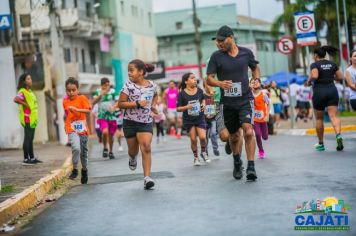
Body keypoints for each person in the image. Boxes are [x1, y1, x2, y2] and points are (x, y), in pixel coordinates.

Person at [207, 25, 260, 181]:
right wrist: (220, 84)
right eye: (217, 41)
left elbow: (255, 68)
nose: (219, 44)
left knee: (248, 131)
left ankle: (251, 167)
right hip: (227, 103)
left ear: (231, 37)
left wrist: (256, 80)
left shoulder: (246, 53)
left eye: (221, 41)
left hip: (245, 99)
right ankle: (237, 162)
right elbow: (208, 78)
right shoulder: (216, 56)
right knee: (234, 136)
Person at [117, 59, 157, 190]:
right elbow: (121, 104)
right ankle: (132, 158)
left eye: (131, 70)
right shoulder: (127, 86)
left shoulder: (152, 85)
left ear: (141, 72)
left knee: (146, 146)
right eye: (128, 70)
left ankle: (147, 178)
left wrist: (153, 106)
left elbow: (155, 95)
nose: (129, 73)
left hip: (145, 122)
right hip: (130, 123)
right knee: (133, 151)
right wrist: (137, 103)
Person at [307, 45, 344, 151]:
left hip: (319, 92)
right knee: (333, 116)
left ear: (315, 55)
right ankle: (338, 135)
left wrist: (309, 81)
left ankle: (321, 144)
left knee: (319, 118)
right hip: (332, 90)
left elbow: (315, 75)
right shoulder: (332, 64)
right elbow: (340, 77)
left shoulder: (314, 64)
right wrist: (331, 78)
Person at [177, 73, 210, 166]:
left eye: (195, 78)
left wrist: (203, 104)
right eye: (192, 78)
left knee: (203, 137)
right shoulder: (181, 94)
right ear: (186, 81)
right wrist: (186, 107)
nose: (195, 79)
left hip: (200, 117)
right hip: (189, 120)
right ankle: (196, 157)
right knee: (193, 139)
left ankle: (203, 152)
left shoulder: (199, 91)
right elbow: (178, 108)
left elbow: (203, 99)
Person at [63, 78, 91, 184]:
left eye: (73, 90)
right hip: (71, 127)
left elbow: (88, 110)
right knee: (75, 147)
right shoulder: (65, 101)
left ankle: (84, 169)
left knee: (83, 153)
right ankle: (74, 169)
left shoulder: (82, 98)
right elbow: (68, 114)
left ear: (77, 90)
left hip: (83, 129)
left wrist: (77, 110)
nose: (71, 92)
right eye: (68, 90)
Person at [13, 73, 42, 165]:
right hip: (27, 119)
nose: (31, 80)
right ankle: (26, 159)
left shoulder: (30, 92)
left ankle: (32, 158)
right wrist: (25, 104)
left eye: (30, 78)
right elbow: (16, 99)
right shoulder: (22, 91)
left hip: (33, 119)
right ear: (24, 81)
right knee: (27, 138)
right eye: (28, 79)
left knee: (31, 138)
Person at [92, 78, 119, 159]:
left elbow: (118, 101)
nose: (106, 87)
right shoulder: (98, 91)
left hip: (112, 116)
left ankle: (110, 151)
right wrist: (101, 94)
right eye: (104, 86)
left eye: (107, 85)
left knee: (111, 135)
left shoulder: (113, 92)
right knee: (104, 132)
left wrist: (114, 107)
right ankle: (105, 148)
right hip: (102, 116)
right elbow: (93, 102)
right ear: (101, 85)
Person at [251, 78, 270, 159]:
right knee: (258, 134)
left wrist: (267, 115)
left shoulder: (263, 94)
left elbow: (268, 104)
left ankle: (264, 134)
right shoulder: (250, 95)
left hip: (263, 118)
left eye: (257, 82)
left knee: (265, 137)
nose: (255, 83)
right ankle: (261, 150)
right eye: (253, 82)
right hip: (254, 119)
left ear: (260, 84)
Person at [204, 89, 220, 156]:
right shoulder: (202, 96)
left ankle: (215, 149)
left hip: (213, 119)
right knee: (205, 136)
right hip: (204, 119)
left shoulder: (216, 96)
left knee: (213, 133)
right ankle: (205, 150)